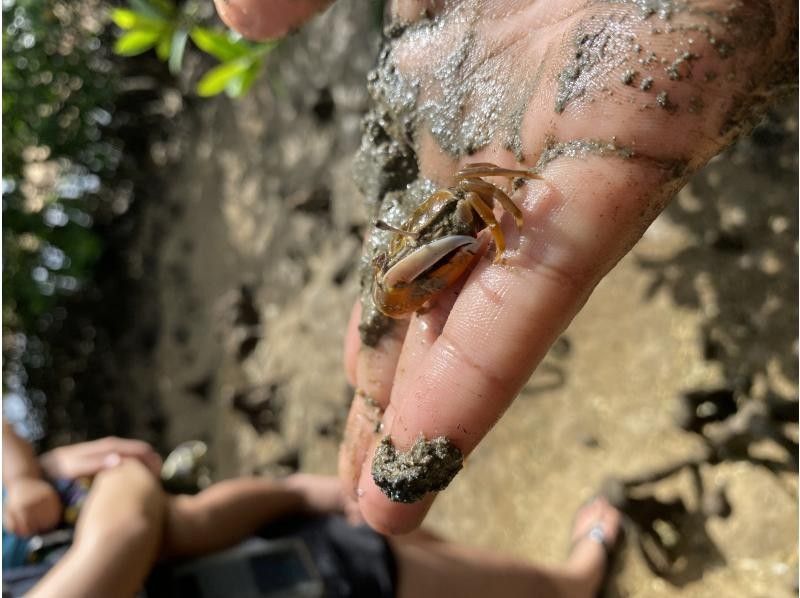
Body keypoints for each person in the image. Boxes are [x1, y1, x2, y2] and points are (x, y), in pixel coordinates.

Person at [212, 0, 797, 534]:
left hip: (458, 208)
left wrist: (501, 228)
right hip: (422, 247)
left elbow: (492, 187)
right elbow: (399, 284)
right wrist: (417, 260)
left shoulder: (468, 194)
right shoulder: (407, 253)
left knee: (475, 192)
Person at [2, 421, 622, 597]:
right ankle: (575, 584)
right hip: (296, 574)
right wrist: (119, 473)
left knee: (398, 539)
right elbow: (126, 533)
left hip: (272, 533)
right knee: (398, 562)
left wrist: (29, 472)